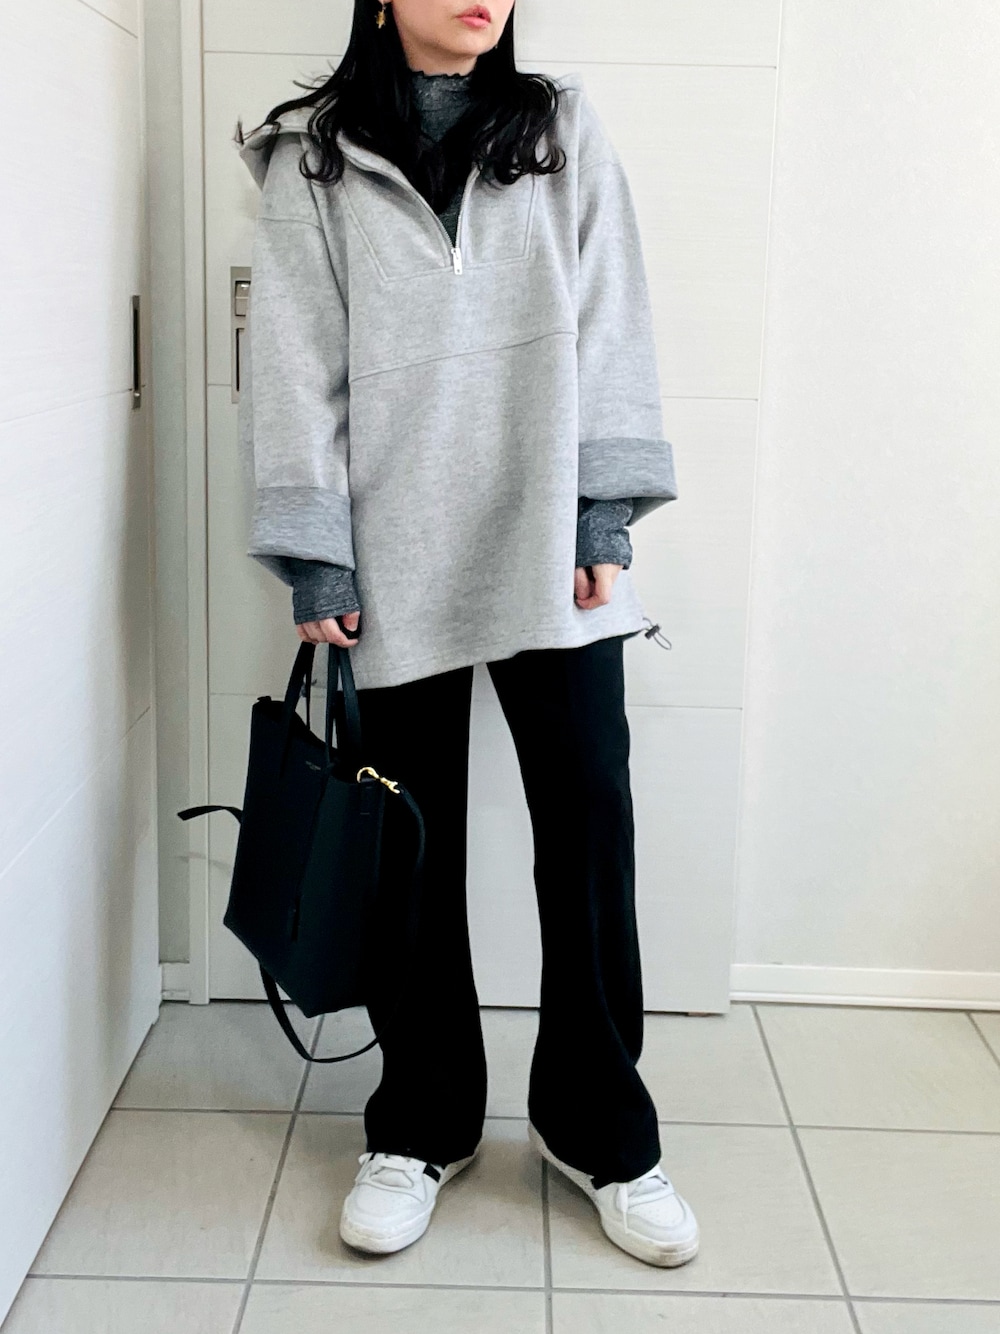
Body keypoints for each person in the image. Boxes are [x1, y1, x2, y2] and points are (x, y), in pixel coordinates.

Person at [235, 0, 699, 1269]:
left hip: (550, 533)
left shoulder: (559, 127)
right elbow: (293, 363)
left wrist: (604, 512)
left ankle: (600, 1128)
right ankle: (421, 1120)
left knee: (589, 825)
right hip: (392, 550)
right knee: (405, 842)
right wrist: (316, 554)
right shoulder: (314, 156)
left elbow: (611, 312)